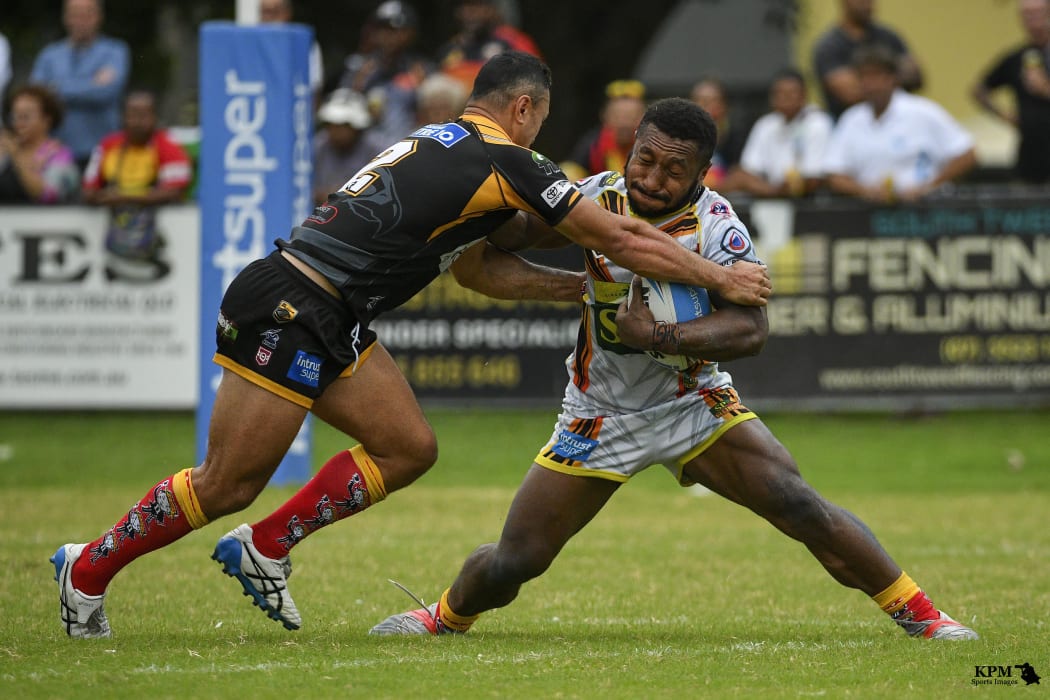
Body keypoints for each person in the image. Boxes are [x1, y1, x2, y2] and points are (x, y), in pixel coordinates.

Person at [49, 51, 771, 639]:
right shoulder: (506, 159)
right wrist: (724, 278)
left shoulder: (434, 141)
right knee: (228, 481)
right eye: (540, 122)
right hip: (292, 301)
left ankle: (265, 545)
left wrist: (581, 290)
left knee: (407, 448)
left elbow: (478, 271)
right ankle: (86, 572)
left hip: (334, 310)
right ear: (522, 108)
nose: (538, 137)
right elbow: (620, 235)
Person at [368, 97, 979, 643]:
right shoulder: (594, 199)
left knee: (798, 504)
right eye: (645, 160)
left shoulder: (718, 228)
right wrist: (482, 199)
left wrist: (658, 335)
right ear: (630, 149)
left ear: (701, 174)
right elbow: (505, 244)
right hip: (598, 414)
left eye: (673, 170)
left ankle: (923, 616)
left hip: (694, 405)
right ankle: (444, 617)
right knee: (516, 560)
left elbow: (750, 330)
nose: (653, 179)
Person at [823, 45, 976, 203]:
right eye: (864, 77)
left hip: (925, 212)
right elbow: (835, 174)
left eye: (877, 76)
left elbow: (967, 154)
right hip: (869, 214)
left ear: (893, 78)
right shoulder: (851, 119)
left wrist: (929, 186)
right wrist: (866, 192)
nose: (870, 84)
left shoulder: (923, 112)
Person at [81, 90, 192, 263]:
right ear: (123, 117)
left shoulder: (169, 147)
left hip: (163, 239)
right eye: (132, 115)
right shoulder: (108, 145)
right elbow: (89, 190)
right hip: (111, 236)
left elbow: (174, 192)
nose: (137, 122)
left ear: (154, 117)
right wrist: (100, 197)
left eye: (143, 116)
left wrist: (122, 197)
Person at [29, 0, 129, 172]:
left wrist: (55, 87)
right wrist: (90, 83)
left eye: (88, 14)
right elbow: (37, 96)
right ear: (65, 18)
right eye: (75, 14)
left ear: (99, 17)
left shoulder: (115, 51)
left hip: (102, 151)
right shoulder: (49, 55)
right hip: (56, 152)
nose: (81, 20)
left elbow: (106, 92)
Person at [972, 0, 1050, 184]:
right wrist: (1006, 116)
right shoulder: (1017, 58)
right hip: (1031, 155)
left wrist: (1045, 88)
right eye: (1027, 15)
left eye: (1038, 13)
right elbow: (978, 90)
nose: (1033, 21)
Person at [337, 1, 433, 145]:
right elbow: (340, 111)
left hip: (410, 147)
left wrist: (423, 89)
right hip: (366, 152)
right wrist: (357, 86)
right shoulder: (359, 68)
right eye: (383, 29)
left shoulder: (421, 69)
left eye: (396, 30)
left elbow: (435, 114)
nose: (389, 36)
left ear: (410, 33)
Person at [812, 0, 923, 121]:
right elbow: (850, 94)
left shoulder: (888, 37)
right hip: (847, 127)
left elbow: (915, 77)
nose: (866, 4)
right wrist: (894, 75)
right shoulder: (830, 46)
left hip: (896, 121)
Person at [733, 69, 833, 198]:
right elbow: (747, 172)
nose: (785, 98)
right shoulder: (765, 124)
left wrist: (780, 189)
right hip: (770, 196)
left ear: (804, 95)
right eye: (779, 93)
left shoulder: (818, 122)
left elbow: (813, 178)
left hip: (808, 202)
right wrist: (773, 191)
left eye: (791, 93)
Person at [437, 0, 542, 92]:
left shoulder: (512, 41)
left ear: (491, 9)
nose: (470, 13)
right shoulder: (450, 48)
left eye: (477, 6)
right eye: (465, 7)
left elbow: (536, 82)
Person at [0, 84, 79, 204]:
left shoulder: (60, 155)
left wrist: (16, 157)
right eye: (15, 116)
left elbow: (48, 195)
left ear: (46, 120)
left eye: (25, 117)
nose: (18, 123)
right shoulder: (6, 150)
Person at [311, 88, 386, 205]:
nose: (336, 131)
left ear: (357, 127)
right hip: (322, 215)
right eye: (331, 125)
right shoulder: (318, 146)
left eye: (343, 125)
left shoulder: (377, 149)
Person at [561, 79, 647, 181]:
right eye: (618, 117)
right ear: (605, 117)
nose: (625, 124)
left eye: (632, 117)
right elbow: (570, 171)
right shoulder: (594, 145)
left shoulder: (652, 144)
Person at [259, 0, 324, 106]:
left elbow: (314, 89)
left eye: (273, 12)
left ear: (287, 13)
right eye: (264, 12)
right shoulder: (248, 45)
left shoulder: (303, 45)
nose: (267, 18)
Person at [688, 78, 747, 191]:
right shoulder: (680, 138)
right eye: (701, 101)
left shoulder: (738, 138)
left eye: (713, 101)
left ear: (724, 106)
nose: (706, 107)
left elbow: (741, 174)